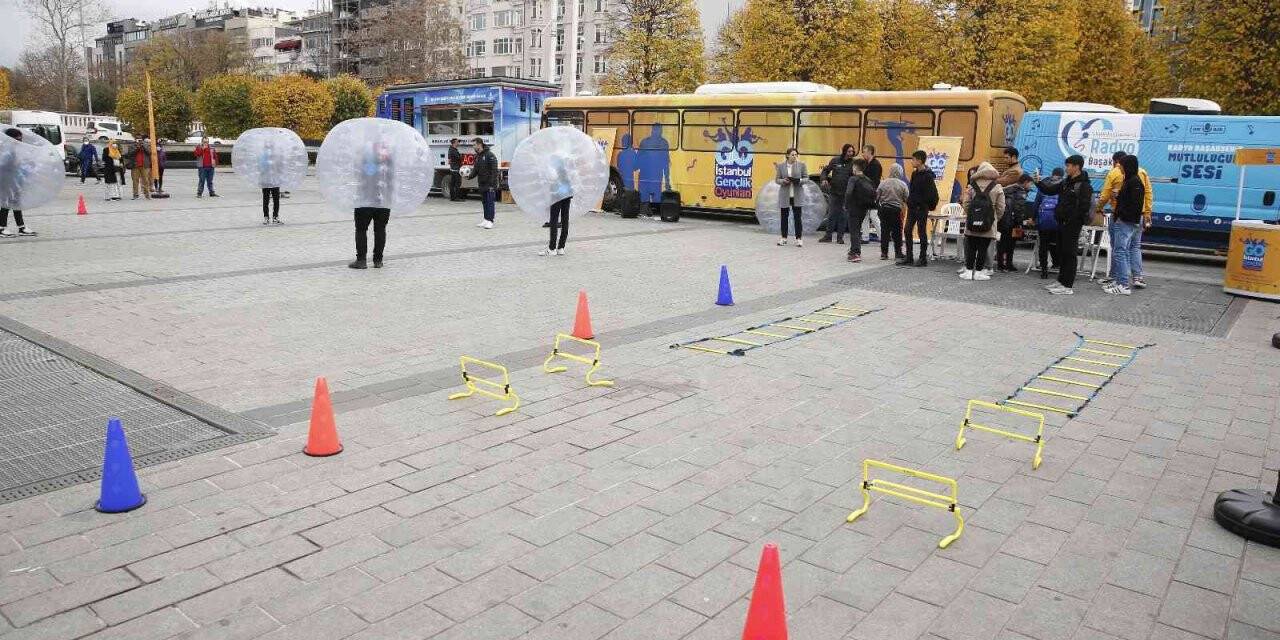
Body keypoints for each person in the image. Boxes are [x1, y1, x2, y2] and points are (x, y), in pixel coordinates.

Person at [1034, 154, 1094, 295]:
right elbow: (1050, 190)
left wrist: (1071, 219)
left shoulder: (1084, 185)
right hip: (1061, 223)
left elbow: (1084, 208)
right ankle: (1061, 281)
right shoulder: (1066, 182)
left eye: (1068, 166)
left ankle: (1067, 285)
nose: (1066, 168)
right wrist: (1038, 182)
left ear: (1076, 167)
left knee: (1070, 253)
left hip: (1072, 224)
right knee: (1062, 252)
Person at [1095, 151, 1153, 289]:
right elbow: (1148, 192)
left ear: (1117, 161)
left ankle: (1117, 279)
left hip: (1121, 215)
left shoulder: (1114, 172)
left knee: (1118, 248)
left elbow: (1105, 195)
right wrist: (1147, 213)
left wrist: (1099, 207)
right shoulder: (1142, 172)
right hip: (1139, 214)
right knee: (1135, 246)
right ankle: (1137, 277)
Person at [350, 140, 394, 269]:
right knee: (380, 229)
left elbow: (359, 176)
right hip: (384, 201)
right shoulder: (389, 161)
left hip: (365, 200)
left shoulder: (366, 159)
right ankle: (378, 260)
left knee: (361, 229)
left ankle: (361, 260)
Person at [959, 162, 1005, 280]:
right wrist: (994, 219)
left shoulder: (972, 185)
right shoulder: (997, 187)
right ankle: (979, 273)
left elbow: (966, 203)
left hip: (972, 223)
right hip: (988, 224)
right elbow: (1001, 207)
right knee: (983, 249)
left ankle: (969, 272)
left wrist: (972, 215)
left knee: (971, 247)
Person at [899, 150, 939, 266]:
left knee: (921, 232)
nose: (912, 161)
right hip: (912, 207)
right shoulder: (914, 174)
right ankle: (909, 256)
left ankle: (922, 258)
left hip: (921, 208)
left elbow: (932, 194)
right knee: (907, 230)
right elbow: (912, 190)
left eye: (914, 159)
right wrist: (909, 201)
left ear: (920, 161)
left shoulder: (927, 176)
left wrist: (925, 205)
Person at [0, 128, 36, 237]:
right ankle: (1, 228)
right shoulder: (6, 151)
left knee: (16, 203)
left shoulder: (13, 150)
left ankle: (21, 227)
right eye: (18, 139)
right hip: (7, 181)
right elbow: (4, 166)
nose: (20, 141)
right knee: (6, 204)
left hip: (14, 180)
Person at [818, 144, 855, 244]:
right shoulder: (835, 160)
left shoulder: (853, 163)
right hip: (834, 192)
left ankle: (840, 238)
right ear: (844, 151)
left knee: (843, 216)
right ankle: (828, 236)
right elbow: (825, 170)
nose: (851, 153)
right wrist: (824, 179)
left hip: (846, 194)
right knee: (831, 214)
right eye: (849, 151)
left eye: (852, 151)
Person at [996, 173, 1033, 271]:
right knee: (1011, 244)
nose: (1031, 186)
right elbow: (1019, 210)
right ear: (1025, 182)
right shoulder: (1021, 193)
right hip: (1014, 223)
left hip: (1004, 221)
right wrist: (1021, 223)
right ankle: (1009, 264)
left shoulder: (1009, 189)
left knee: (1002, 243)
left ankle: (1001, 264)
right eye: (1030, 184)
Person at [844, 157, 876, 263]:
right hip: (864, 208)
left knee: (854, 230)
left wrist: (846, 204)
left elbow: (848, 193)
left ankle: (855, 253)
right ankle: (854, 250)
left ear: (855, 167)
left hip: (854, 208)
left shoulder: (853, 179)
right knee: (857, 229)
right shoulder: (868, 180)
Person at [542, 154, 575, 256]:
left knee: (554, 221)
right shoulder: (566, 168)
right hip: (567, 194)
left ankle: (552, 248)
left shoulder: (552, 169)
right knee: (565, 220)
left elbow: (550, 180)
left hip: (557, 195)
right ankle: (561, 247)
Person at [774, 148, 808, 247]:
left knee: (797, 217)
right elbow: (777, 179)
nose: (795, 157)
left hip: (797, 195)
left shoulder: (802, 165)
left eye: (796, 155)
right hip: (785, 195)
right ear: (787, 155)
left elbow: (806, 178)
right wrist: (783, 181)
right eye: (793, 155)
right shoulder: (781, 166)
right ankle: (783, 238)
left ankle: (799, 239)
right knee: (784, 217)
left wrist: (799, 180)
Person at [876, 163, 908, 260]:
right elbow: (906, 198)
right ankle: (898, 253)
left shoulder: (883, 183)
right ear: (900, 172)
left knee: (884, 231)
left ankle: (884, 253)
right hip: (896, 211)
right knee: (897, 232)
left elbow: (877, 196)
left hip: (884, 209)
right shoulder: (902, 184)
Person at [473, 137, 499, 229]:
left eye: (474, 145)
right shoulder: (478, 156)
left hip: (490, 184)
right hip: (482, 183)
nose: (473, 147)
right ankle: (485, 219)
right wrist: (469, 176)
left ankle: (490, 221)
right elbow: (475, 170)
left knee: (490, 202)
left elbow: (494, 170)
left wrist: (492, 184)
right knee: (484, 202)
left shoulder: (490, 155)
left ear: (479, 144)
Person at [860, 145, 883, 243]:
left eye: (864, 151)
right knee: (864, 216)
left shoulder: (876, 164)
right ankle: (865, 237)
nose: (863, 154)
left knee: (873, 216)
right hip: (865, 193)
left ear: (870, 152)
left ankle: (883, 237)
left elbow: (875, 181)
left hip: (873, 193)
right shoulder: (865, 163)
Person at [260, 138, 283, 225]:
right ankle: (267, 218)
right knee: (267, 200)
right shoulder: (263, 156)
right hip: (266, 180)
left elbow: (280, 167)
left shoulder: (276, 156)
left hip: (274, 180)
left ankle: (274, 217)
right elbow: (260, 167)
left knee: (275, 200)